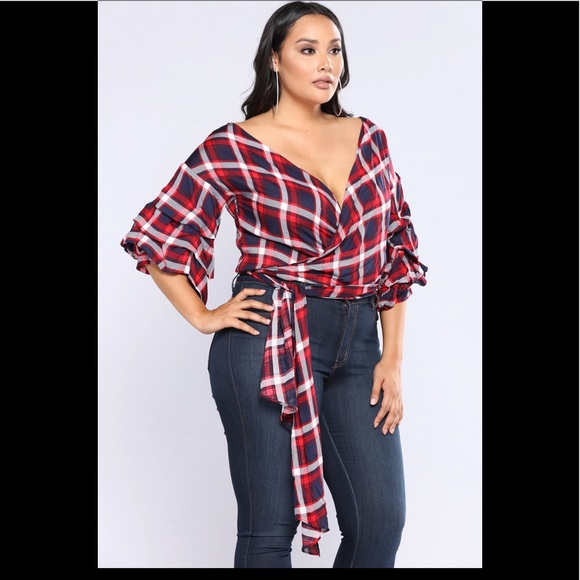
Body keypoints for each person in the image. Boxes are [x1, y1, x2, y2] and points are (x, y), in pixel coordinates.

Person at [120, 0, 427, 568]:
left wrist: (393, 357)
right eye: (308, 50)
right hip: (267, 336)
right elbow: (160, 233)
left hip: (361, 343)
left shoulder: (370, 139)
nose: (326, 64)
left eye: (334, 50)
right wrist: (203, 315)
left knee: (380, 520)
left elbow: (396, 249)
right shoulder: (233, 146)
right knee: (268, 528)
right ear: (275, 60)